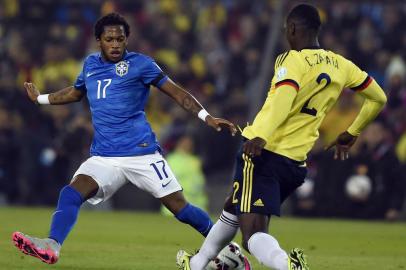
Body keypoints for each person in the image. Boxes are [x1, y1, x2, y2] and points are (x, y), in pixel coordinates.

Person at [12, 13, 236, 265]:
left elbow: (178, 93)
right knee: (71, 192)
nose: (116, 44)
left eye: (120, 39)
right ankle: (52, 245)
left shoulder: (142, 64)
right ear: (99, 41)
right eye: (110, 39)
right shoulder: (90, 65)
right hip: (105, 157)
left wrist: (207, 117)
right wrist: (41, 98)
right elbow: (75, 93)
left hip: (142, 154)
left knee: (180, 208)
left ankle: (229, 248)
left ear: (127, 39)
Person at [177, 4, 387, 270]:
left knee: (252, 234)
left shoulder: (291, 60)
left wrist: (262, 136)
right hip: (296, 163)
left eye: (286, 30)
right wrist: (352, 131)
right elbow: (378, 97)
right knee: (234, 205)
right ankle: (197, 264)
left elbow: (284, 99)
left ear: (292, 29)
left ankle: (289, 265)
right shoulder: (341, 65)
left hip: (264, 154)